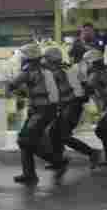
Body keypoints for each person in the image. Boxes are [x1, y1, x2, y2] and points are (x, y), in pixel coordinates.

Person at [8, 42, 67, 186]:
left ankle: (57, 162)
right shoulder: (43, 69)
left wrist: (2, 83)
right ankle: (30, 173)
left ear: (28, 58)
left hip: (41, 111)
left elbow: (11, 85)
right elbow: (32, 90)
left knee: (26, 141)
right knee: (25, 141)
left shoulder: (28, 70)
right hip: (45, 110)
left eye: (22, 56)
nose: (20, 59)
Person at [47, 45, 102, 167]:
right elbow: (85, 85)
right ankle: (58, 160)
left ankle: (92, 153)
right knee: (53, 132)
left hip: (71, 105)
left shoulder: (57, 72)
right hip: (73, 104)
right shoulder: (70, 68)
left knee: (62, 135)